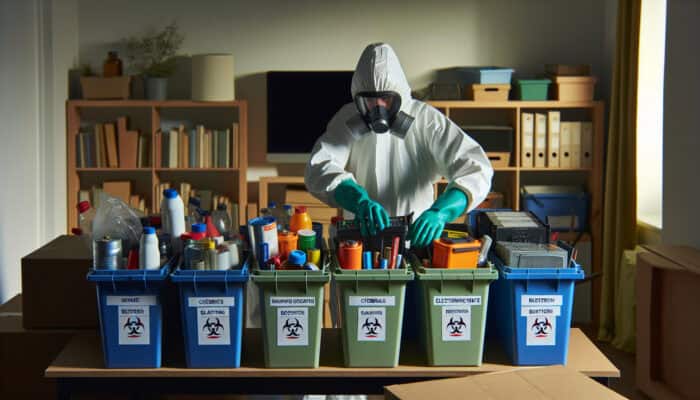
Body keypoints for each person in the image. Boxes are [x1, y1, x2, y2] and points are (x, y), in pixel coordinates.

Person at [305, 43, 493, 247]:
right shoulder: (349, 120)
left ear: (400, 96)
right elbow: (319, 168)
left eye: (386, 99)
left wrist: (440, 213)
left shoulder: (426, 120)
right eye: (370, 101)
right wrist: (359, 201)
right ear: (358, 98)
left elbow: (476, 169)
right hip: (361, 241)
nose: (379, 109)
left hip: (417, 240)